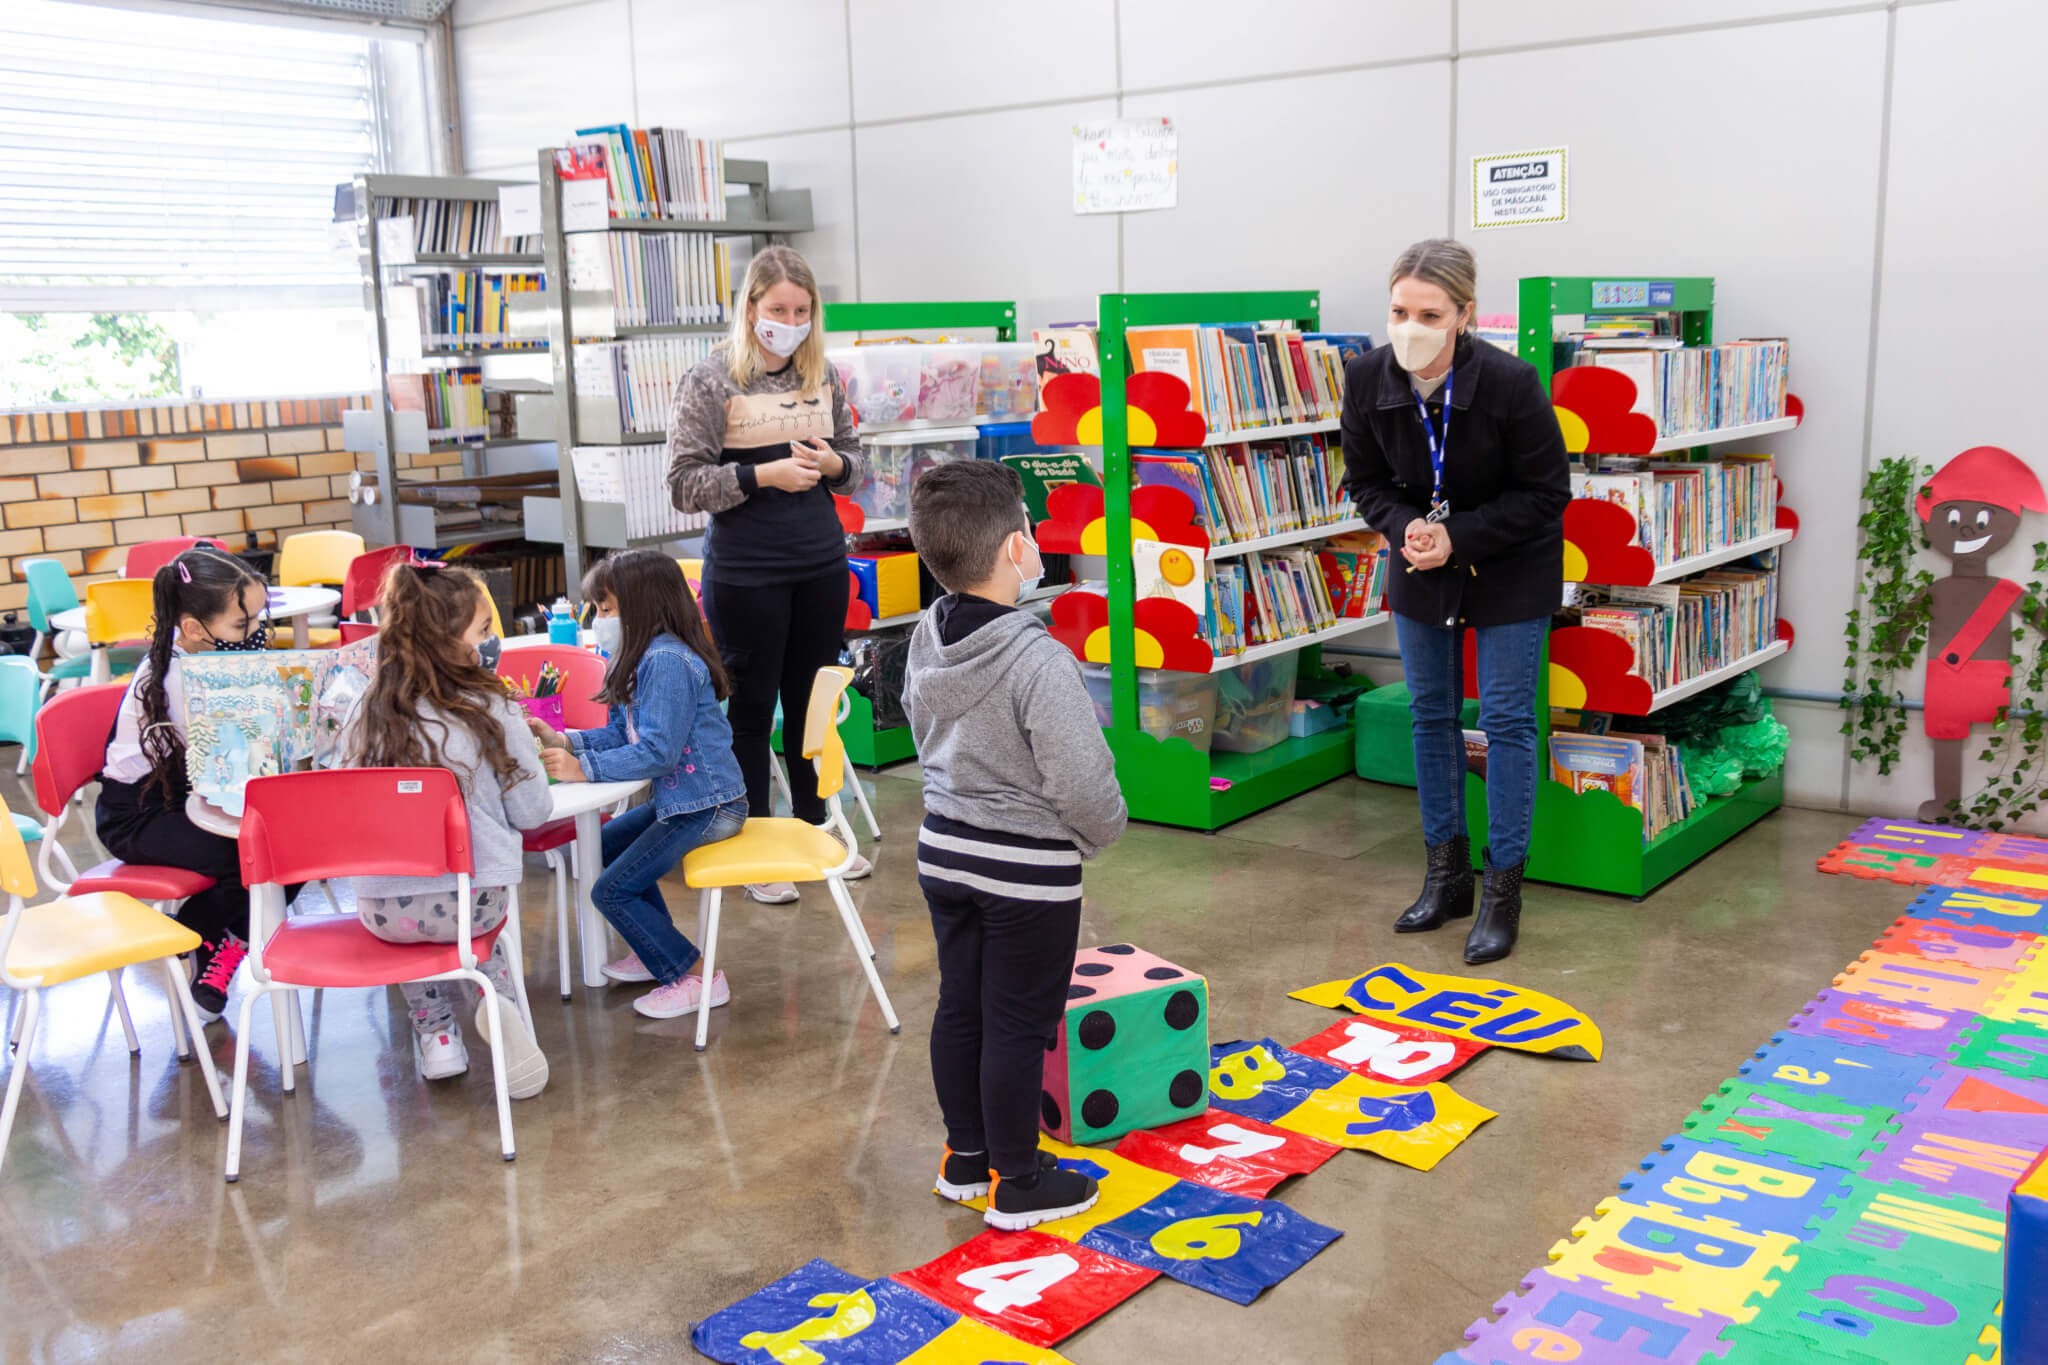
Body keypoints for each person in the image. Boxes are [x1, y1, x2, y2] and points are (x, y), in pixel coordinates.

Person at [903, 461, 1128, 1231]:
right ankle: (1020, 1180)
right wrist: (1099, 834)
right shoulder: (1039, 660)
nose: (1037, 542)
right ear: (1011, 550)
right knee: (1018, 1024)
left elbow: (918, 728)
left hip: (943, 850)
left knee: (959, 1005)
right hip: (1025, 873)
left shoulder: (924, 635)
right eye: (1030, 529)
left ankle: (966, 1159)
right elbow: (1084, 782)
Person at [1341, 238, 1570, 965]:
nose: (1411, 326)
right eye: (1399, 310)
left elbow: (1546, 493)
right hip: (1420, 561)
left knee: (1505, 720)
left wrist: (1460, 537)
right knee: (1429, 714)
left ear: (1464, 315)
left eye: (1430, 313)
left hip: (1507, 564)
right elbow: (1365, 481)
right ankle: (1446, 877)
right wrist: (1403, 525)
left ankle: (1503, 890)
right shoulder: (1367, 377)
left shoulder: (1511, 383)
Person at [667, 244, 869, 906]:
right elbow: (683, 484)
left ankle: (815, 831)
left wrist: (834, 466)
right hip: (747, 571)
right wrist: (761, 475)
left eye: (802, 310)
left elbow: (857, 462)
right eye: (778, 308)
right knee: (752, 710)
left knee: (813, 705)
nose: (790, 320)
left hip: (820, 563)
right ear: (751, 308)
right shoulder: (710, 381)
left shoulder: (823, 374)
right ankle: (757, 849)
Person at [338, 563, 551, 1095]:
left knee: (412, 922)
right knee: (473, 922)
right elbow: (532, 812)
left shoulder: (365, 712)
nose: (491, 641)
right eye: (482, 630)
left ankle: (438, 1041)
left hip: (383, 910)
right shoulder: (491, 707)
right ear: (447, 641)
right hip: (473, 904)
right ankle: (498, 1007)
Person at [527, 550, 749, 1020]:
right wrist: (563, 739)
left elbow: (657, 753)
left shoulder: (666, 660)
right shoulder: (642, 655)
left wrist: (582, 769)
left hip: (708, 806)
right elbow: (619, 735)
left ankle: (698, 978)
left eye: (607, 610)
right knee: (599, 849)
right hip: (684, 801)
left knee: (610, 890)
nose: (601, 621)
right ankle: (659, 953)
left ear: (642, 604)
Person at [97, 547, 278, 1022]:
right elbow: (237, 760)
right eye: (242, 626)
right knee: (268, 854)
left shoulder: (209, 663)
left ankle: (227, 941)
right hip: (138, 816)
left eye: (259, 619)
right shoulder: (180, 678)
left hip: (194, 798)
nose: (256, 634)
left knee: (293, 847)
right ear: (195, 630)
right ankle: (193, 932)